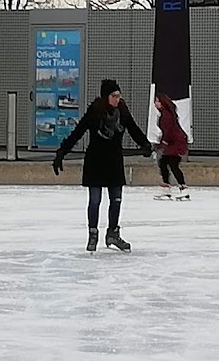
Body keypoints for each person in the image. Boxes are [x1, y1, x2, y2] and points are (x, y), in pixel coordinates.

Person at [53, 79, 153, 252]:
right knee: (95, 200)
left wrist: (145, 144)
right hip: (95, 162)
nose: (117, 99)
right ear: (106, 97)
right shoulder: (95, 111)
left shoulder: (122, 111)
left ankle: (113, 233)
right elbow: (78, 132)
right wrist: (62, 152)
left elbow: (133, 128)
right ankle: (93, 234)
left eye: (119, 96)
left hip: (114, 161)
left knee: (116, 199)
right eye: (114, 96)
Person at [153, 93, 190, 200]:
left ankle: (183, 188)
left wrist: (164, 142)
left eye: (157, 101)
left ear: (162, 103)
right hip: (174, 141)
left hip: (174, 142)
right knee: (164, 163)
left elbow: (168, 130)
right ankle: (167, 187)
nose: (155, 103)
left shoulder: (166, 115)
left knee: (172, 165)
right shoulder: (166, 113)